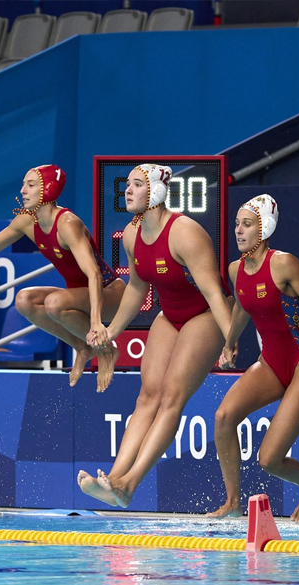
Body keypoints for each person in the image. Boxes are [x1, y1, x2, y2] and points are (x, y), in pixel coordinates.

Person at [81, 163, 232, 508]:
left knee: (171, 396)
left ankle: (130, 484)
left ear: (157, 193)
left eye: (136, 184)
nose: (127, 190)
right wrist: (111, 331)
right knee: (147, 396)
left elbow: (212, 292)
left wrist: (229, 339)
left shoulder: (184, 233)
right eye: (127, 185)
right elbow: (137, 287)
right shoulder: (133, 234)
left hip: (206, 315)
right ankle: (113, 479)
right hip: (171, 315)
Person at [0, 165, 125, 390]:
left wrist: (96, 323)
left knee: (54, 303)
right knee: (24, 300)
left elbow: (94, 274)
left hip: (109, 294)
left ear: (49, 189)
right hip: (79, 296)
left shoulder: (67, 224)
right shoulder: (26, 221)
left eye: (31, 185)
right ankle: (83, 347)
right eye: (23, 184)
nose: (23, 190)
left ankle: (106, 349)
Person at [207, 194, 299, 521]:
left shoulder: (283, 263)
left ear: (264, 228)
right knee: (223, 418)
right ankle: (233, 501)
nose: (238, 230)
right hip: (271, 363)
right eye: (236, 224)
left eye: (246, 224)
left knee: (269, 459)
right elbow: (242, 308)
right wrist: (229, 343)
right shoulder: (236, 270)